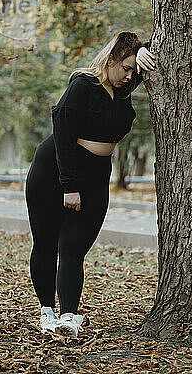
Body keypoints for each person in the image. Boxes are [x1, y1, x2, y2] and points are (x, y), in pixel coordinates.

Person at [25, 31, 156, 338]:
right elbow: (62, 129)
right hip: (54, 168)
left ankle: (69, 316)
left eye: (133, 69)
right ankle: (47, 312)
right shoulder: (84, 84)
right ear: (110, 60)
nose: (129, 75)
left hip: (96, 174)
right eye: (124, 67)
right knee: (46, 244)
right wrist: (69, 185)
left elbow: (152, 43)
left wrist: (145, 53)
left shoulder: (123, 88)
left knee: (74, 246)